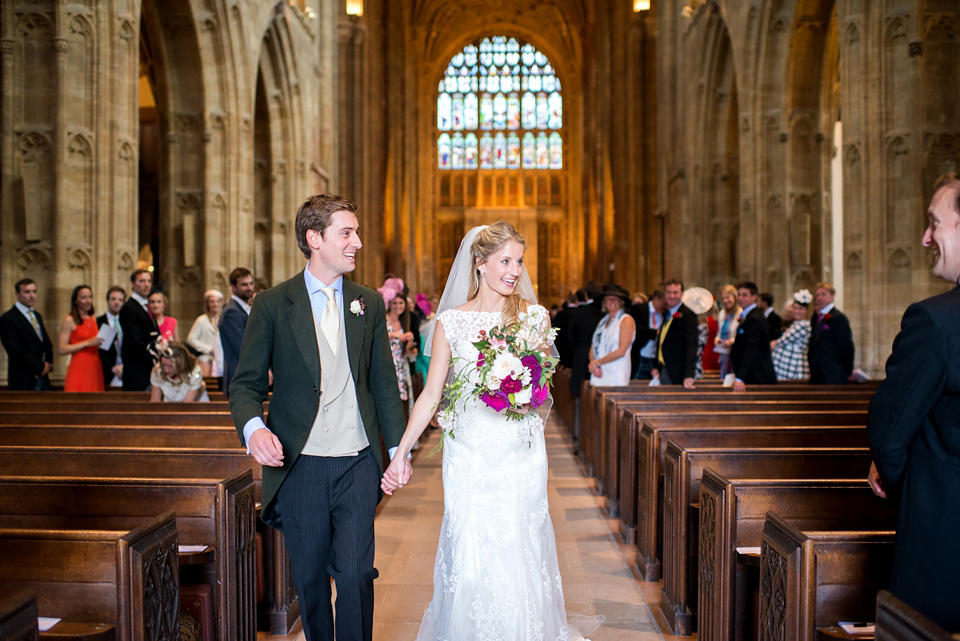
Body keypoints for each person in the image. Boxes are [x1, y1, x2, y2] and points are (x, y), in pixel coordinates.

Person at [381, 222, 596, 641]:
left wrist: (518, 389)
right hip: (470, 452)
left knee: (519, 543)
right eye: (505, 261)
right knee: (470, 545)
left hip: (518, 451)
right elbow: (429, 396)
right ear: (479, 264)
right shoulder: (451, 323)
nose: (515, 270)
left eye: (519, 261)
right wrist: (401, 452)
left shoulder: (535, 318)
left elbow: (541, 389)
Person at [228, 194, 406, 641]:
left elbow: (384, 383)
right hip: (300, 464)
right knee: (309, 581)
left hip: (356, 461)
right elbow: (246, 383)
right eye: (347, 233)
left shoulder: (367, 303)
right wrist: (255, 429)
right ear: (315, 238)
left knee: (354, 576)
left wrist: (398, 450)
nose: (357, 243)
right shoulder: (272, 304)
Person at [866, 173, 960, 631]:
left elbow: (889, 428)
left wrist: (914, 486)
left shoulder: (936, 322)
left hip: (944, 541)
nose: (926, 238)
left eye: (935, 222)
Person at [0, 278, 54, 390]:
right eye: (27, 292)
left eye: (34, 291)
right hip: (23, 377)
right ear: (17, 294)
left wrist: (47, 365)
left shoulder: (37, 315)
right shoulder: (8, 318)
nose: (32, 295)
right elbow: (14, 350)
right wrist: (39, 367)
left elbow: (45, 343)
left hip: (43, 377)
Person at [730, 281, 777, 391]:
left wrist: (740, 377)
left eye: (744, 295)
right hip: (752, 373)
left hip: (757, 375)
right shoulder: (750, 315)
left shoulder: (754, 318)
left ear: (754, 297)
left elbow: (752, 349)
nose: (740, 298)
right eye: (739, 295)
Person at [652, 279, 699, 389]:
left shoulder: (688, 315)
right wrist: (656, 366)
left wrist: (688, 375)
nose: (672, 296)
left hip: (678, 371)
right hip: (664, 368)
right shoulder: (667, 313)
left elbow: (691, 346)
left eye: (675, 292)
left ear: (682, 294)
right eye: (669, 292)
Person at [58, 284, 104, 392]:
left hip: (95, 363)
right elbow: (61, 349)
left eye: (90, 297)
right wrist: (86, 343)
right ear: (75, 300)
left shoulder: (93, 319)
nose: (88, 301)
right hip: (79, 364)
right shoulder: (69, 320)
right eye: (83, 297)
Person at [588, 283, 636, 387]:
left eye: (615, 299)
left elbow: (621, 350)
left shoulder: (626, 320)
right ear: (604, 303)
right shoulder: (602, 322)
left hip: (616, 372)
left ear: (621, 302)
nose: (612, 302)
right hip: (599, 372)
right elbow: (593, 346)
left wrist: (598, 363)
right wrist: (593, 364)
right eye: (608, 299)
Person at [807, 282, 855, 384]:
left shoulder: (838, 318)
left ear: (832, 296)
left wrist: (848, 370)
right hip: (817, 372)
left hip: (832, 371)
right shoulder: (816, 317)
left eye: (823, 294)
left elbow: (846, 346)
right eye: (817, 295)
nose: (819, 298)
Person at [120, 269, 159, 391]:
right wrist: (153, 358)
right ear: (132, 284)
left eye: (148, 281)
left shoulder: (145, 306)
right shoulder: (129, 308)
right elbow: (135, 340)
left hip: (147, 367)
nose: (146, 284)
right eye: (141, 281)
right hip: (137, 367)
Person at [219, 267, 254, 396]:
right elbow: (243, 347)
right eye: (244, 284)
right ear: (233, 287)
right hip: (240, 375)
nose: (249, 288)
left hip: (248, 375)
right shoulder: (231, 312)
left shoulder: (244, 308)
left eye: (251, 283)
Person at [381, 280, 415, 413]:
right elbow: (377, 336)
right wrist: (393, 334)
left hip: (400, 365)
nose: (398, 306)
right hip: (387, 363)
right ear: (389, 303)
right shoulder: (384, 318)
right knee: (388, 399)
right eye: (395, 303)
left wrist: (410, 341)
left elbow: (407, 352)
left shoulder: (403, 322)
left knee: (399, 403)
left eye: (401, 303)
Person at [566, 281, 604, 398]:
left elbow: (571, 339)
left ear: (586, 294)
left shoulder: (577, 313)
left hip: (581, 359)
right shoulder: (605, 313)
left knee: (581, 395)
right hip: (602, 360)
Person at [771, 289, 813, 381]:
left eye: (800, 309)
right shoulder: (796, 323)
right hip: (785, 364)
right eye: (795, 308)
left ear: (806, 311)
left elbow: (784, 340)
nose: (797, 311)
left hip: (794, 365)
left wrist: (773, 343)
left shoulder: (803, 324)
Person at [627, 288, 665, 380]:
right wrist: (654, 333)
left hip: (655, 358)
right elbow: (634, 328)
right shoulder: (639, 309)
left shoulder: (665, 314)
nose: (665, 306)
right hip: (639, 355)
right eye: (664, 303)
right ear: (656, 299)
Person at [187, 289, 223, 377]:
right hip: (205, 358)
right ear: (207, 304)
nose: (215, 304)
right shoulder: (201, 320)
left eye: (217, 301)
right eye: (212, 302)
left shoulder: (222, 319)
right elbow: (191, 339)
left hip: (219, 359)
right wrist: (209, 350)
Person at [97, 286, 125, 387]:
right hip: (106, 372)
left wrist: (124, 367)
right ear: (107, 301)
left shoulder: (129, 322)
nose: (117, 302)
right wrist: (113, 368)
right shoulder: (98, 322)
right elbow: (100, 351)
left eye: (120, 299)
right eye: (113, 299)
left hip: (126, 371)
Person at [712, 284, 740, 378]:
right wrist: (717, 339)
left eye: (728, 297)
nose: (725, 301)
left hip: (736, 353)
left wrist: (732, 341)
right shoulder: (722, 313)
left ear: (735, 297)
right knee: (724, 379)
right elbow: (720, 332)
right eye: (723, 298)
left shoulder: (741, 312)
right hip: (724, 353)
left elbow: (741, 335)